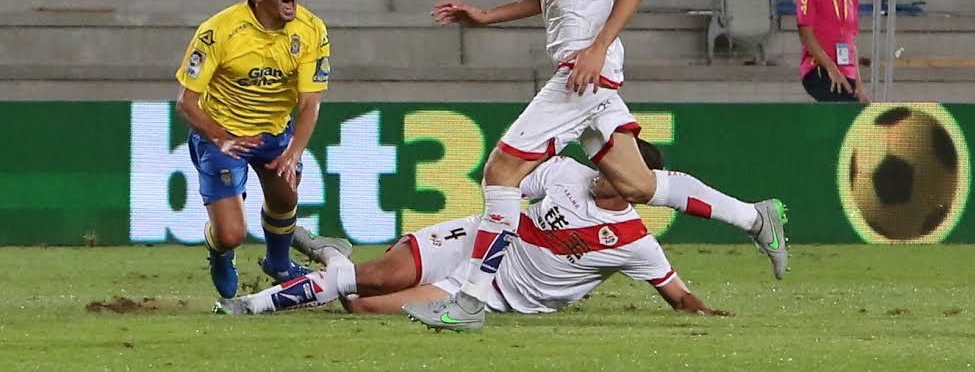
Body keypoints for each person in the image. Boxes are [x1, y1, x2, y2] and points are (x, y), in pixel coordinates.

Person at [402, 0, 789, 331]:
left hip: (582, 73)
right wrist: (487, 16)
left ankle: (471, 298)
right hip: (586, 72)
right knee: (634, 184)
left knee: (501, 171)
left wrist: (599, 47)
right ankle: (753, 216)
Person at [214, 142, 729, 319]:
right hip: (475, 241)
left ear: (633, 185)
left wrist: (711, 313)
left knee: (362, 303)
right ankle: (258, 305)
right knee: (372, 276)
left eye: (613, 169)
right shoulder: (567, 173)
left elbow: (679, 297)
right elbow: (509, 181)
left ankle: (330, 254)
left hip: (484, 289)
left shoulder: (635, 242)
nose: (600, 170)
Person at [175, 0, 331, 298]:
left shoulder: (311, 30)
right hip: (222, 137)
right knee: (232, 233)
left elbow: (310, 103)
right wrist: (221, 139)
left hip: (275, 134)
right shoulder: (218, 32)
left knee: (285, 198)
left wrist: (294, 151)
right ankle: (219, 250)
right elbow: (186, 103)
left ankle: (278, 264)